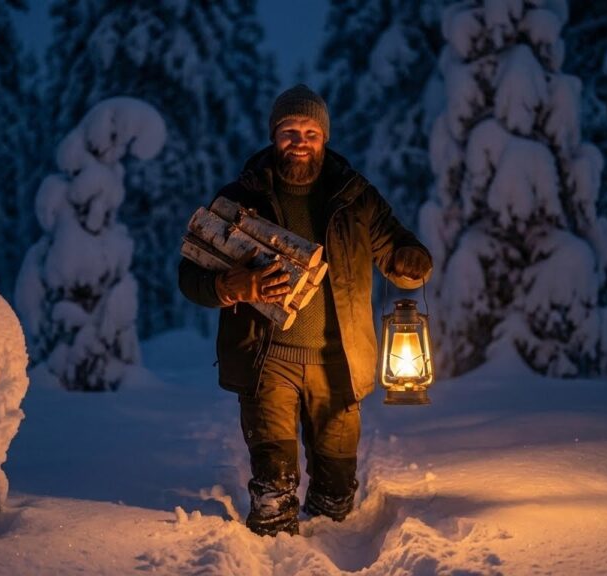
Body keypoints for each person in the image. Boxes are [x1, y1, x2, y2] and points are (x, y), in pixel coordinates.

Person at [178, 84, 432, 536]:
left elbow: (396, 249)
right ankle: (278, 557)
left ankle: (331, 547)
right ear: (274, 135)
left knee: (335, 501)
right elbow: (188, 277)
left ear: (324, 138)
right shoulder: (241, 199)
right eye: (289, 131)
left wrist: (413, 262)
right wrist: (229, 286)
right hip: (266, 361)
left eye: (310, 132)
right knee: (273, 495)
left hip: (339, 364)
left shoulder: (356, 198)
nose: (299, 141)